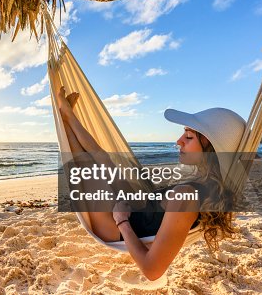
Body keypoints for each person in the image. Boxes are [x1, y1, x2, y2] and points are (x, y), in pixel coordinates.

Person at [56, 87, 246, 281]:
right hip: (138, 207)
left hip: (113, 223)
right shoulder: (207, 185)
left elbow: (152, 270)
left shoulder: (187, 197)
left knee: (84, 164)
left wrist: (121, 221)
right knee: (103, 159)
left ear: (210, 150)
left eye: (188, 137)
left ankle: (65, 118)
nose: (179, 141)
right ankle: (68, 117)